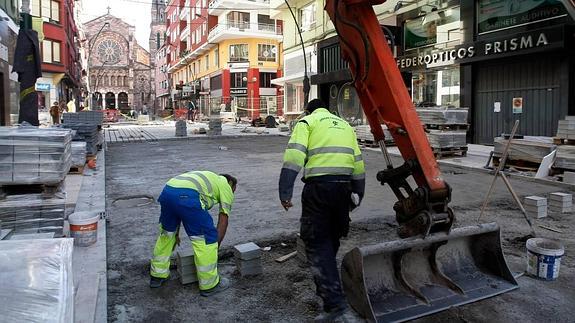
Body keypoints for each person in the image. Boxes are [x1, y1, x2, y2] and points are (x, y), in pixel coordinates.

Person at [278, 99, 365, 321]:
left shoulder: (307, 122)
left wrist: (285, 192)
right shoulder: (345, 126)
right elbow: (358, 162)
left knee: (317, 243)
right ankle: (328, 284)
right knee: (332, 239)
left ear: (308, 110)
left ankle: (335, 305)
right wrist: (358, 195)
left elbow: (294, 157)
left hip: (319, 190)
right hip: (343, 190)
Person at [150, 171, 237, 297]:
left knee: (167, 234)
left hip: (168, 191)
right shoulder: (225, 185)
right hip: (188, 196)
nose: (233, 193)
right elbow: (223, 219)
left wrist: (177, 232)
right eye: (234, 190)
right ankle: (210, 285)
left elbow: (178, 204)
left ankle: (157, 275)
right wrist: (214, 247)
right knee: (205, 238)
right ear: (231, 184)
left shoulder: (209, 178)